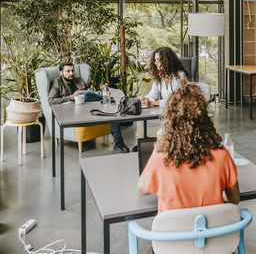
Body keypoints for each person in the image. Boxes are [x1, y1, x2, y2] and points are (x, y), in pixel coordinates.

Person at [137, 83, 239, 213]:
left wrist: (160, 144)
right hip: (213, 232)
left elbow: (142, 188)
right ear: (205, 119)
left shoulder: (162, 160)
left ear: (170, 121)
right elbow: (234, 198)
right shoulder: (222, 155)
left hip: (173, 232)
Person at [48, 61, 129, 152]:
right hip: (73, 112)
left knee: (110, 110)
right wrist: (71, 97)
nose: (71, 73)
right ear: (61, 72)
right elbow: (51, 101)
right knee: (87, 94)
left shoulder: (78, 80)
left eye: (72, 70)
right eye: (68, 71)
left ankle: (119, 142)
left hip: (88, 109)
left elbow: (90, 95)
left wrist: (91, 91)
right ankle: (116, 99)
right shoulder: (57, 83)